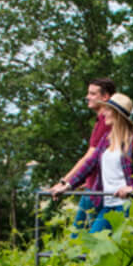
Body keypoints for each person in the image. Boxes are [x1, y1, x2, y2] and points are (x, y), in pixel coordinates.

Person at [63, 93, 133, 231]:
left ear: (117, 115)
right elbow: (90, 163)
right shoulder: (106, 139)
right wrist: (67, 185)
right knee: (93, 245)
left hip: (128, 206)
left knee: (125, 248)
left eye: (108, 110)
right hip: (108, 205)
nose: (103, 113)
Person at [48, 77, 116, 223]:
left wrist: (64, 182)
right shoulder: (102, 120)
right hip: (93, 184)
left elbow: (90, 157)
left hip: (96, 189)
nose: (87, 97)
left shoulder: (106, 121)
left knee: (80, 235)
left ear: (105, 97)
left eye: (92, 94)